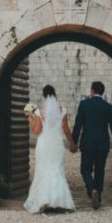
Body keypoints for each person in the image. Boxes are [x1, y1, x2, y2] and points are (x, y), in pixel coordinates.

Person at [23, 85, 76, 213]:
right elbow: (66, 129)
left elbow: (37, 131)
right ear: (55, 95)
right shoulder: (62, 110)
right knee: (57, 170)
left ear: (44, 96)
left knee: (43, 170)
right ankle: (59, 201)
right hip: (57, 144)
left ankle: (43, 200)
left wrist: (30, 120)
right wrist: (72, 143)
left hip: (44, 145)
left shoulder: (39, 112)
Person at [71, 81, 112, 210]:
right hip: (102, 143)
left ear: (92, 91)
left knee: (85, 169)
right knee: (100, 170)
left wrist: (73, 142)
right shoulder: (108, 107)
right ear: (102, 92)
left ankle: (91, 190)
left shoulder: (84, 104)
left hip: (87, 142)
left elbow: (78, 125)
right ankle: (98, 195)